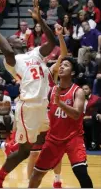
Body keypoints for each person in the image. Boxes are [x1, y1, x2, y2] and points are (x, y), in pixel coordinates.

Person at [0, 0, 57, 188]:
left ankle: (12, 146)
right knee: (26, 151)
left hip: (43, 106)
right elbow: (7, 51)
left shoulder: (35, 53)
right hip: (30, 107)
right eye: (16, 37)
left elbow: (52, 41)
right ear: (11, 44)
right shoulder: (13, 61)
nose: (20, 36)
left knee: (47, 138)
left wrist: (40, 20)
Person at [28, 57, 93, 188]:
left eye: (66, 65)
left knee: (81, 172)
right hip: (53, 139)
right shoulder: (51, 91)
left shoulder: (78, 91)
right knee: (36, 175)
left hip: (73, 138)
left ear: (73, 73)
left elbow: (76, 114)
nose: (62, 67)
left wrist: (59, 103)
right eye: (61, 65)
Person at [82, 84, 101, 150]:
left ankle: (94, 143)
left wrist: (89, 117)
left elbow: (97, 113)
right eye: (83, 89)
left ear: (90, 90)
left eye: (86, 89)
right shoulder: (79, 99)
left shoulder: (97, 99)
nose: (84, 90)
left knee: (91, 122)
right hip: (80, 120)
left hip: (92, 119)